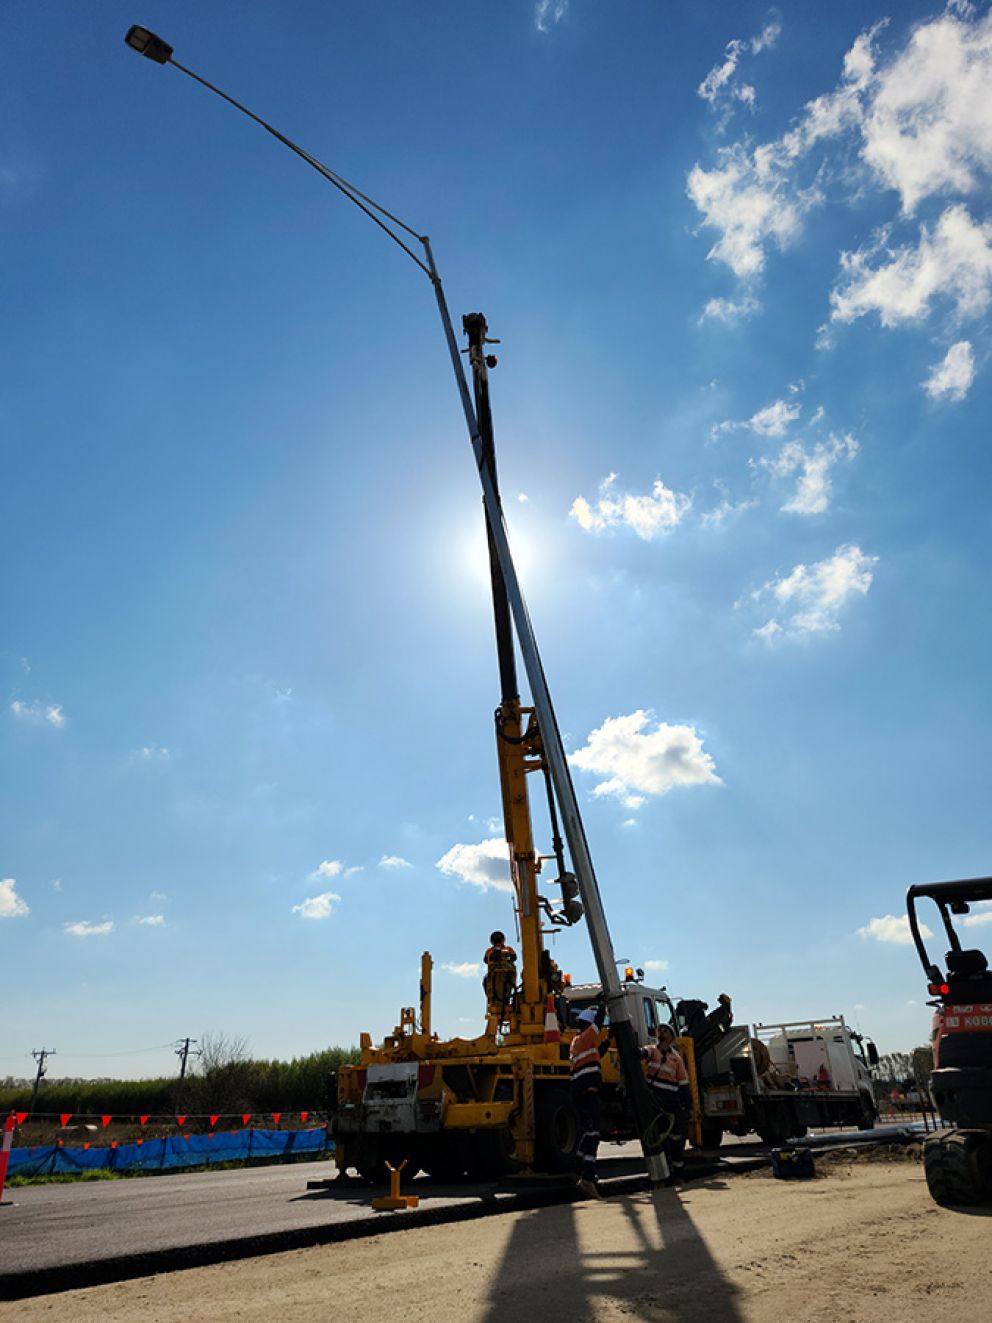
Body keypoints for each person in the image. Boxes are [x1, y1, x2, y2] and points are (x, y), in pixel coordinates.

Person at [570, 1001, 611, 1198]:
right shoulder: (585, 1037)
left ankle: (578, 1169)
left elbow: (593, 1057)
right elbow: (598, 1024)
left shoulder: (580, 1042)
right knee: (593, 1134)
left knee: (588, 1133)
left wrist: (606, 1045)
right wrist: (602, 1006)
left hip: (583, 1093)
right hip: (587, 1094)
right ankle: (586, 1177)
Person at [640, 1022, 690, 1182]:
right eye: (660, 1030)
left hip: (671, 1102)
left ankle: (679, 1174)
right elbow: (644, 1053)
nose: (662, 1033)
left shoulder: (676, 1059)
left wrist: (685, 1107)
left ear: (671, 1037)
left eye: (665, 1031)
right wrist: (639, 1052)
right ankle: (664, 1174)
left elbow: (683, 1084)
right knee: (659, 1138)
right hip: (655, 1102)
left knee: (675, 1139)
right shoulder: (653, 1051)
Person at [483, 931, 517, 1017]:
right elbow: (486, 960)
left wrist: (506, 956)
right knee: (486, 982)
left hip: (507, 974)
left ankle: (505, 1000)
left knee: (507, 987)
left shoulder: (508, 949)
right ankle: (492, 1000)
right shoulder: (490, 951)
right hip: (494, 975)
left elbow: (513, 957)